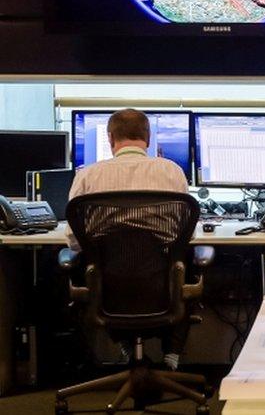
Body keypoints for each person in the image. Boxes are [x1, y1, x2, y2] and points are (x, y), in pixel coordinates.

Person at [67, 108, 190, 371]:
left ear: (110, 138)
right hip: (160, 284)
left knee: (57, 268)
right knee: (186, 263)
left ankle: (120, 350)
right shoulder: (172, 172)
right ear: (148, 137)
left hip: (108, 287)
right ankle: (172, 359)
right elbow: (184, 233)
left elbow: (73, 241)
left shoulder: (87, 175)